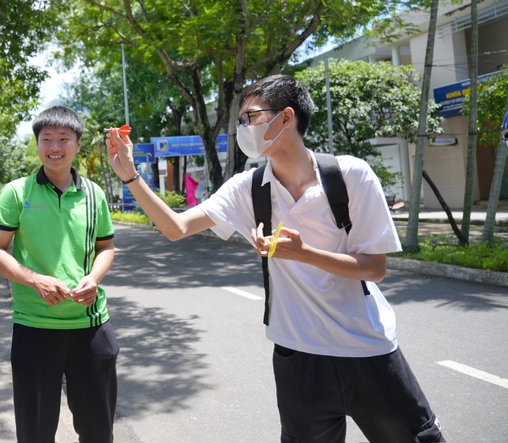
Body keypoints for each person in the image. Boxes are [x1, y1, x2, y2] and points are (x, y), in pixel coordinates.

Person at [106, 75, 444, 443]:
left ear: (286, 117)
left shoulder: (350, 175)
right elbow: (176, 227)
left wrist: (304, 254)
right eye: (241, 119)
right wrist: (131, 176)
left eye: (250, 116)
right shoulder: (248, 187)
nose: (243, 127)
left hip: (367, 349)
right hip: (297, 355)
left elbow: (374, 268)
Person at [0, 106, 119, 443]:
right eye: (47, 139)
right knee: (35, 433)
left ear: (78, 144)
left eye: (64, 139)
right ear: (37, 144)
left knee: (98, 431)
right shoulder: (17, 192)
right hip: (34, 326)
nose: (55, 147)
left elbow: (106, 247)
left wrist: (94, 279)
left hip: (90, 327)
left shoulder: (94, 194)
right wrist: (35, 280)